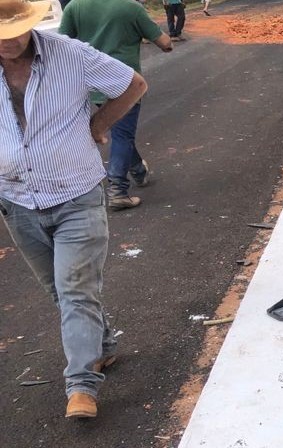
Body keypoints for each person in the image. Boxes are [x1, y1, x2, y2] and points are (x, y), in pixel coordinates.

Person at [0, 0, 147, 419]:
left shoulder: (70, 54)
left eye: (16, 28)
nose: (9, 39)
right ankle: (102, 346)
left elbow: (132, 84)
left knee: (75, 291)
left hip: (76, 193)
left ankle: (81, 384)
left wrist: (98, 126)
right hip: (17, 200)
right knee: (60, 292)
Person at [60, 0, 173, 210]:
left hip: (91, 85)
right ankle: (117, 189)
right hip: (125, 85)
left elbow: (61, 43)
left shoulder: (74, 6)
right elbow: (165, 43)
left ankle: (139, 171)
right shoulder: (131, 7)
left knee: (122, 131)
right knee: (123, 135)